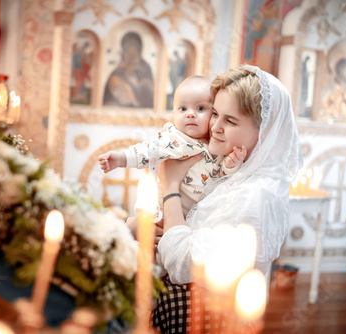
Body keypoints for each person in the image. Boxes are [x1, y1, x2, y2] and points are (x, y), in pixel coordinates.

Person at [151, 65, 302, 333]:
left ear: (264, 132)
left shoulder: (257, 194)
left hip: (205, 318)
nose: (214, 127)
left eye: (230, 121)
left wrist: (170, 186)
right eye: (216, 114)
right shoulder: (235, 170)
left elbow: (181, 263)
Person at [98, 75, 246, 217]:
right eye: (183, 109)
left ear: (214, 112)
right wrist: (121, 158)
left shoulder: (216, 144)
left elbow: (222, 178)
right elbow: (148, 151)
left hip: (197, 212)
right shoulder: (174, 138)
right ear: (174, 113)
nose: (190, 114)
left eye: (200, 108)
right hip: (165, 207)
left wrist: (231, 165)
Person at [103, 32, 154, 108]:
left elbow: (150, 91)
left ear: (139, 50)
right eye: (128, 52)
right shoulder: (120, 68)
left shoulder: (145, 67)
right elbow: (108, 95)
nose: (131, 56)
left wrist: (146, 84)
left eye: (134, 52)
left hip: (142, 107)